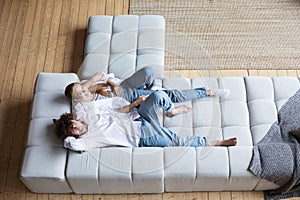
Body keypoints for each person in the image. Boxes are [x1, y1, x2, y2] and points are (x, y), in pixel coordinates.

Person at [53, 91, 237, 152]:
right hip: (142, 136)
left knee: (157, 95)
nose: (77, 127)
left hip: (140, 117)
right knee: (176, 141)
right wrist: (65, 133)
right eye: (74, 130)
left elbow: (77, 103)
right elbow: (70, 144)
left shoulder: (89, 117)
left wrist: (135, 104)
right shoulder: (88, 140)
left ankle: (171, 110)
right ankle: (217, 143)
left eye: (74, 124)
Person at [64, 66, 230, 105]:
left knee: (148, 72)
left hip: (123, 87)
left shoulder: (88, 90)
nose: (85, 92)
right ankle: (208, 92)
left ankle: (151, 87)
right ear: (76, 100)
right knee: (171, 96)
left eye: (83, 89)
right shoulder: (88, 107)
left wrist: (112, 84)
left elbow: (100, 77)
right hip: (128, 99)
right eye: (80, 94)